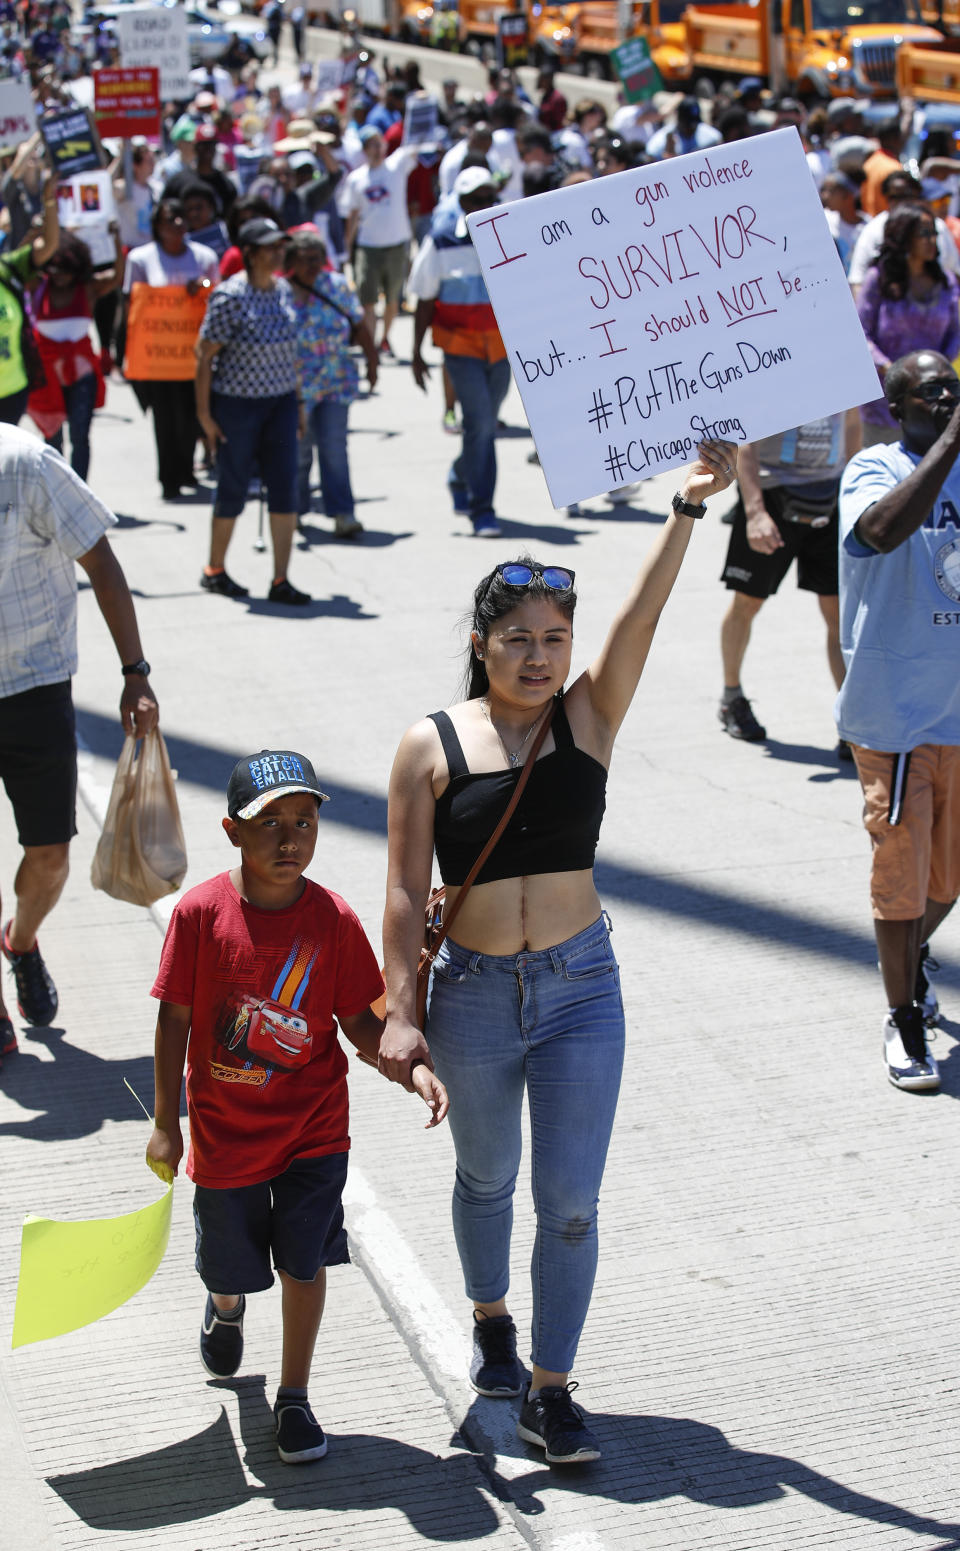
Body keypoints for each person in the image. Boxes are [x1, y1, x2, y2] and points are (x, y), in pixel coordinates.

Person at [379, 441, 738, 1464]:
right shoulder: (431, 745)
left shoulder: (589, 714)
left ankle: (552, 1388)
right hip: (477, 997)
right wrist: (403, 1010)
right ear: (483, 644)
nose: (540, 657)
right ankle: (490, 1313)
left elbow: (644, 620)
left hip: (583, 988)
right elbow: (407, 890)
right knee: (486, 1180)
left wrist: (684, 509)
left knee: (570, 1205)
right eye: (519, 639)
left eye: (554, 638)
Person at [146, 748, 448, 1463]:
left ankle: (295, 1397)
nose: (289, 839)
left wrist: (411, 1067)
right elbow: (173, 1020)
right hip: (225, 1139)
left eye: (304, 822)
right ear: (230, 831)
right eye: (269, 822)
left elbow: (361, 1023)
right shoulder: (199, 914)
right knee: (230, 1265)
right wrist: (165, 1121)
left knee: (304, 1263)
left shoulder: (333, 920)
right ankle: (225, 1305)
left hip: (315, 1130)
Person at [0, 425, 158, 1068]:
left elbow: (100, 559)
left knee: (50, 858)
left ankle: (21, 939)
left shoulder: (27, 464)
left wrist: (135, 673)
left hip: (32, 687)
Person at [837, 349, 960, 1093]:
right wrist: (949, 446)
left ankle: (909, 959)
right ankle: (903, 1015)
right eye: (935, 392)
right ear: (899, 404)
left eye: (957, 388)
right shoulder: (872, 469)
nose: (949, 399)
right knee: (901, 879)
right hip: (898, 714)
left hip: (959, 711)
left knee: (948, 878)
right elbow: (880, 532)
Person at [718, 414, 859, 752]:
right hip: (772, 495)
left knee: (838, 613)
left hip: (831, 495)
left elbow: (853, 426)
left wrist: (855, 495)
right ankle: (732, 697)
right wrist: (754, 512)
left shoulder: (846, 363)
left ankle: (852, 719)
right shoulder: (777, 362)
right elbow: (745, 436)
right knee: (747, 602)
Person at [195, 216, 309, 605]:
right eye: (271, 247)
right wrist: (205, 416)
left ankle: (281, 578)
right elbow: (204, 356)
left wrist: (297, 404)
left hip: (278, 404)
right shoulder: (230, 297)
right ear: (250, 253)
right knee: (232, 487)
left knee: (284, 490)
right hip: (236, 407)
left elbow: (292, 355)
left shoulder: (282, 291)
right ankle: (215, 569)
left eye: (281, 245)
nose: (279, 252)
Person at [409, 168, 508, 539]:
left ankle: (459, 475)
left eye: (489, 198)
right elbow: (424, 297)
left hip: (500, 349)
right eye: (476, 199)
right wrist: (416, 352)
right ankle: (483, 510)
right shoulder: (441, 241)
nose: (484, 205)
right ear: (462, 202)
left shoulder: (509, 235)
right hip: (460, 346)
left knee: (481, 425)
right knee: (482, 424)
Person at [123, 199, 219, 501]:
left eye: (180, 218)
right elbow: (134, 303)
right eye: (169, 220)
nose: (176, 225)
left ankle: (186, 468)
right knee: (165, 417)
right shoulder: (141, 259)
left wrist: (200, 285)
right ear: (157, 226)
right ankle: (169, 477)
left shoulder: (204, 257)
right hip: (159, 357)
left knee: (192, 414)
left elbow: (215, 292)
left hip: (193, 355)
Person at [287, 229, 377, 539]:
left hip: (336, 382)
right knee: (298, 451)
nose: (313, 265)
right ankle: (294, 511)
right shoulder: (282, 292)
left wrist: (373, 361)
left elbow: (358, 324)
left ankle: (343, 512)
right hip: (297, 389)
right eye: (305, 260)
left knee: (334, 448)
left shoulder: (336, 286)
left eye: (317, 259)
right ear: (292, 261)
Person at [856, 205, 960, 446]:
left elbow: (955, 333)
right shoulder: (878, 279)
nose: (932, 240)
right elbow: (861, 333)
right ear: (904, 236)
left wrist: (935, 374)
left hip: (933, 400)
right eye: (924, 233)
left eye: (934, 232)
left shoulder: (945, 281)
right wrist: (889, 368)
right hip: (885, 400)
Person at [26, 229, 122, 481]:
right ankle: (56, 488)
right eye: (54, 270)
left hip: (82, 376)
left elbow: (117, 276)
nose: (59, 277)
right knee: (51, 438)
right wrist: (34, 234)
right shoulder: (39, 286)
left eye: (65, 271)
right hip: (46, 376)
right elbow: (20, 264)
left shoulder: (88, 289)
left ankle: (79, 490)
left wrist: (115, 238)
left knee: (80, 436)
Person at [340, 127, 425, 356]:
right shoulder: (356, 178)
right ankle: (371, 346)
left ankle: (384, 338)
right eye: (371, 145)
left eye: (379, 144)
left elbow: (417, 142)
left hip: (396, 244)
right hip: (368, 246)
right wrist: (348, 245)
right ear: (365, 150)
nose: (376, 150)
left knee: (392, 299)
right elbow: (353, 214)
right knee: (367, 300)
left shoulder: (397, 165)